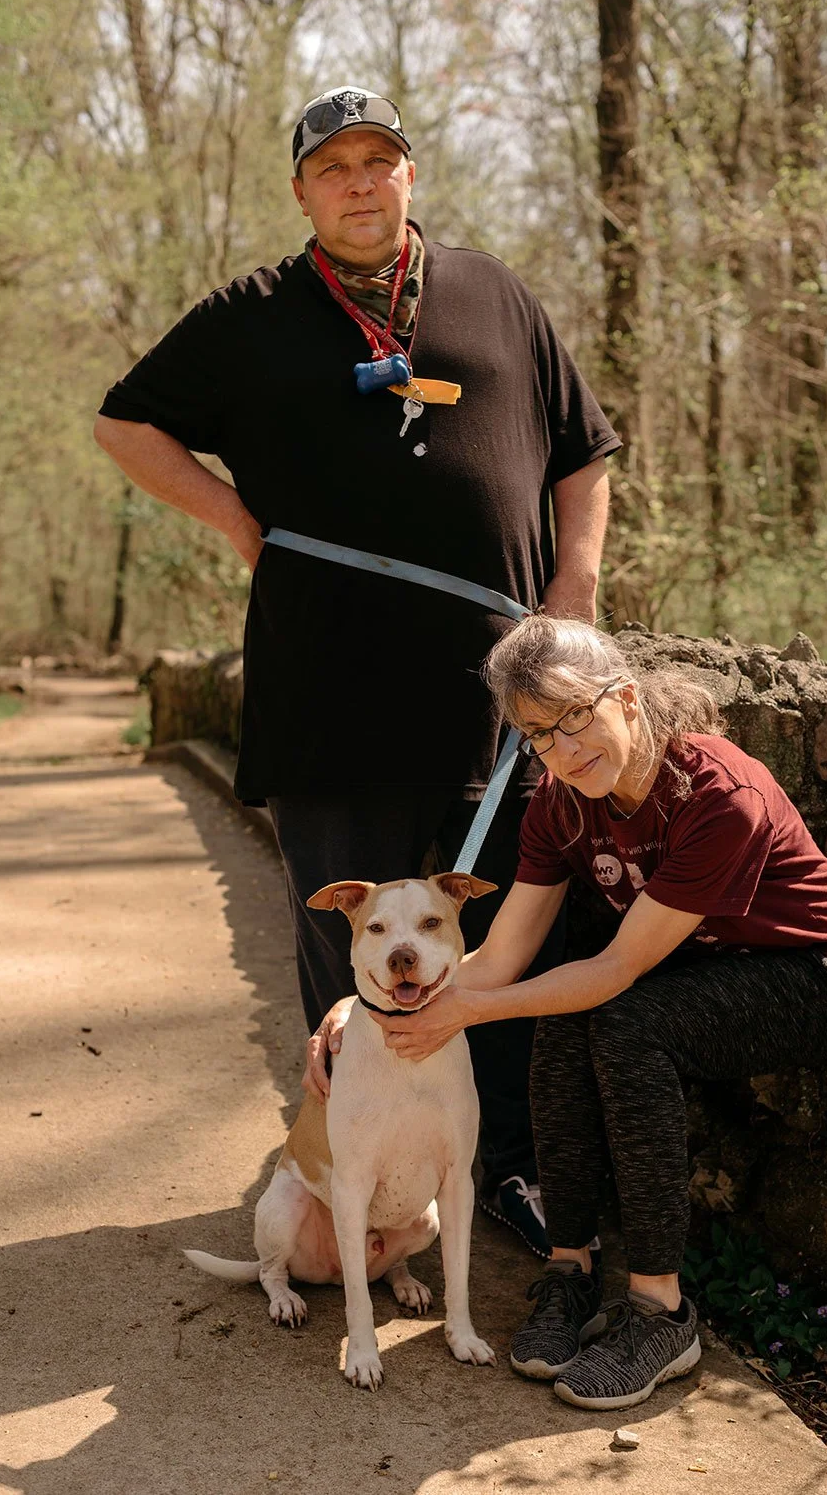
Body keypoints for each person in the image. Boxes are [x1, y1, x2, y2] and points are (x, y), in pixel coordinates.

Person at [93, 86, 621, 1256]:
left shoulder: (494, 294)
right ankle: (351, 1198)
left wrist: (574, 594)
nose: (361, 182)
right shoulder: (252, 316)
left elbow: (585, 452)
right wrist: (240, 522)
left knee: (510, 947)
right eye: (335, 167)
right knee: (353, 964)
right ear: (301, 191)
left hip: (497, 708)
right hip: (326, 705)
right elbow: (125, 425)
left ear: (410, 176)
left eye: (380, 160)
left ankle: (511, 1176)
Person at [308, 614, 827, 1411]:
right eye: (539, 735)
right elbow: (499, 960)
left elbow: (614, 971)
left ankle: (659, 1311)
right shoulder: (560, 805)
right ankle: (570, 1270)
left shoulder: (718, 794)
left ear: (629, 697)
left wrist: (462, 1016)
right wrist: (364, 1007)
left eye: (576, 717)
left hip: (812, 975)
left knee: (614, 1015)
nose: (564, 749)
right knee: (565, 1010)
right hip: (692, 971)